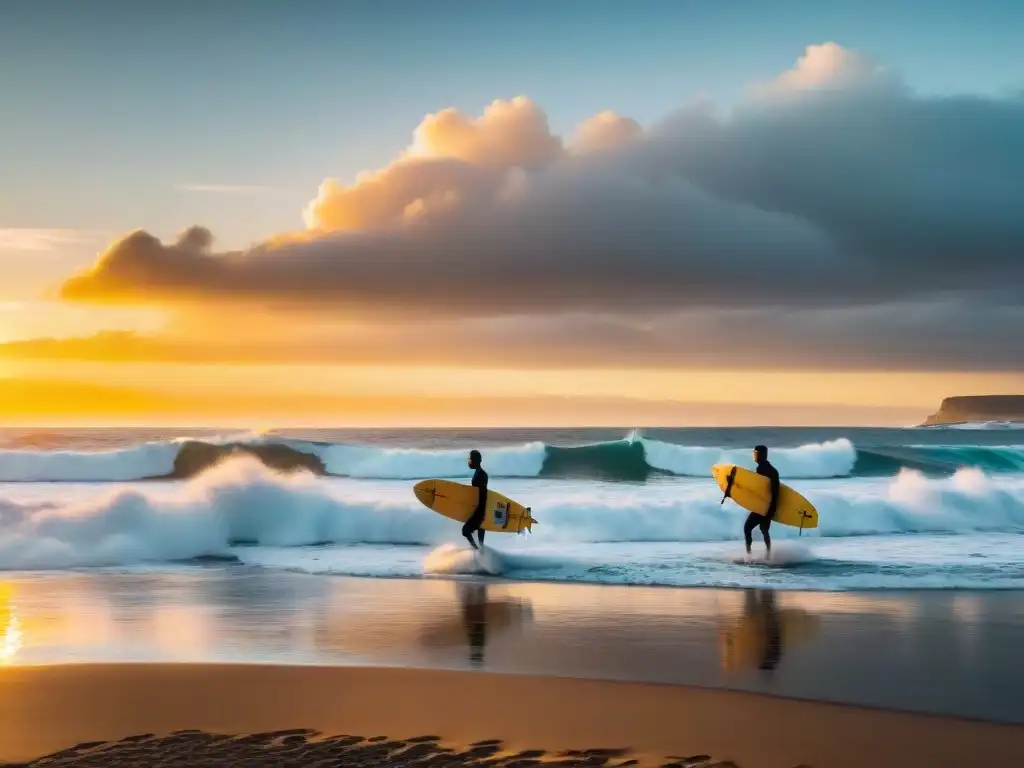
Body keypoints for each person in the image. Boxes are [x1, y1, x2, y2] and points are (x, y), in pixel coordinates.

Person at [744, 444, 778, 557]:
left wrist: (769, 510)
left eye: (756, 453)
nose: (754, 456)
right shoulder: (771, 469)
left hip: (763, 506)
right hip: (768, 506)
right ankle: (768, 555)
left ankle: (749, 554)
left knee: (747, 527)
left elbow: (769, 491)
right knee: (764, 529)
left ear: (763, 455)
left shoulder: (763, 469)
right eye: (754, 453)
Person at [463, 449, 488, 550]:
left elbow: (482, 494)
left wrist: (479, 514)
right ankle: (480, 552)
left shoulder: (481, 474)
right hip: (479, 509)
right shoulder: (479, 473)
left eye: (470, 459)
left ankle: (476, 551)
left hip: (479, 510)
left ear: (475, 461)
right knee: (480, 539)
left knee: (465, 531)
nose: (469, 461)